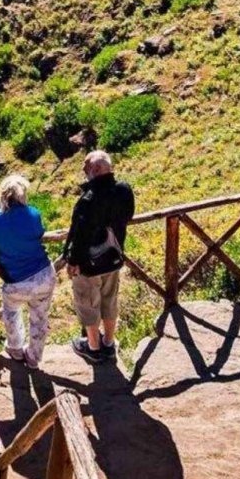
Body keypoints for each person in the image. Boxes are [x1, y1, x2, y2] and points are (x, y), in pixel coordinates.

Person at [0, 175, 56, 369]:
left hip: (16, 279)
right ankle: (34, 358)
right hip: (44, 273)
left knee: (11, 312)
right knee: (40, 318)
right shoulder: (33, 213)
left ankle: (16, 349)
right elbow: (39, 234)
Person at [64, 151, 135, 362]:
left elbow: (80, 235)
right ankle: (109, 343)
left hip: (89, 264)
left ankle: (93, 349)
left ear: (94, 171)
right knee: (109, 300)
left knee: (88, 304)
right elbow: (128, 215)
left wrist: (73, 261)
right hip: (113, 257)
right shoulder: (123, 190)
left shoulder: (89, 199)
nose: (85, 174)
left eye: (86, 169)